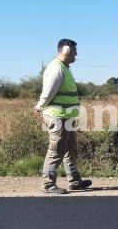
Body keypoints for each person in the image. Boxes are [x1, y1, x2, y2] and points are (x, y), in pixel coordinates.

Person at [33, 38, 92, 195]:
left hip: (66, 117)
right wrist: (40, 105)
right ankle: (48, 183)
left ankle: (74, 181)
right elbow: (49, 91)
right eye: (74, 51)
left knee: (70, 149)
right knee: (57, 150)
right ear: (66, 50)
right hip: (57, 116)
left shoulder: (65, 68)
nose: (76, 54)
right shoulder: (57, 69)